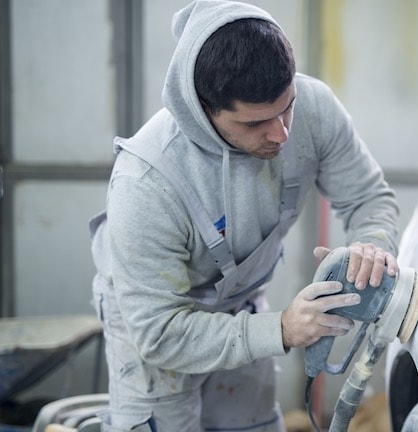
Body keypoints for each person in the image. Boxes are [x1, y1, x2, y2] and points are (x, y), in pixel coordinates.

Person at [88, 1, 400, 431]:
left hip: (242, 305)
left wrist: (374, 244)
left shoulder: (313, 107)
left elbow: (369, 197)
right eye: (256, 124)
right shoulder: (145, 185)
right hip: (157, 321)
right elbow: (159, 332)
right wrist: (282, 331)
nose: (281, 133)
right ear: (203, 109)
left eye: (285, 107)